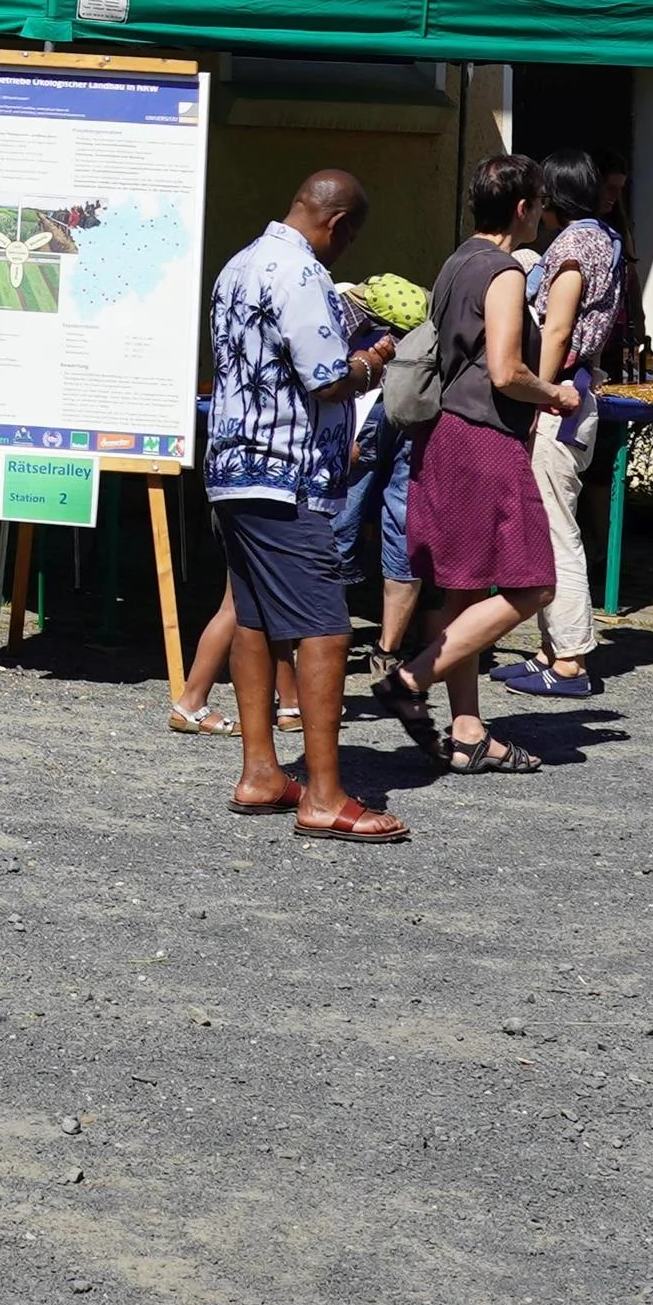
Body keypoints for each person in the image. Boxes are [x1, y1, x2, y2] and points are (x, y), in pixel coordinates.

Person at [198, 170, 410, 842]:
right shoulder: (300, 273)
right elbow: (325, 378)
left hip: (233, 470)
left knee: (256, 621)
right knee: (325, 625)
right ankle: (324, 794)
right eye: (349, 237)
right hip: (285, 475)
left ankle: (261, 772)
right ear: (337, 222)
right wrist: (373, 362)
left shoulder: (235, 267)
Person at [384, 157, 577, 763]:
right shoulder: (504, 272)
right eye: (541, 205)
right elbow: (504, 370)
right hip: (484, 440)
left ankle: (468, 733)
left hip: (444, 436)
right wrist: (555, 394)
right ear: (522, 208)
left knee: (464, 591)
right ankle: (412, 677)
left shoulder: (454, 263)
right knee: (534, 584)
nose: (543, 216)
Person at [517, 150, 628, 684]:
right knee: (554, 522)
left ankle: (568, 660)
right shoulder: (605, 238)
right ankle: (550, 649)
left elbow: (557, 328)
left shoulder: (573, 244)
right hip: (578, 391)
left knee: (557, 530)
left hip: (560, 395)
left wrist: (536, 393)